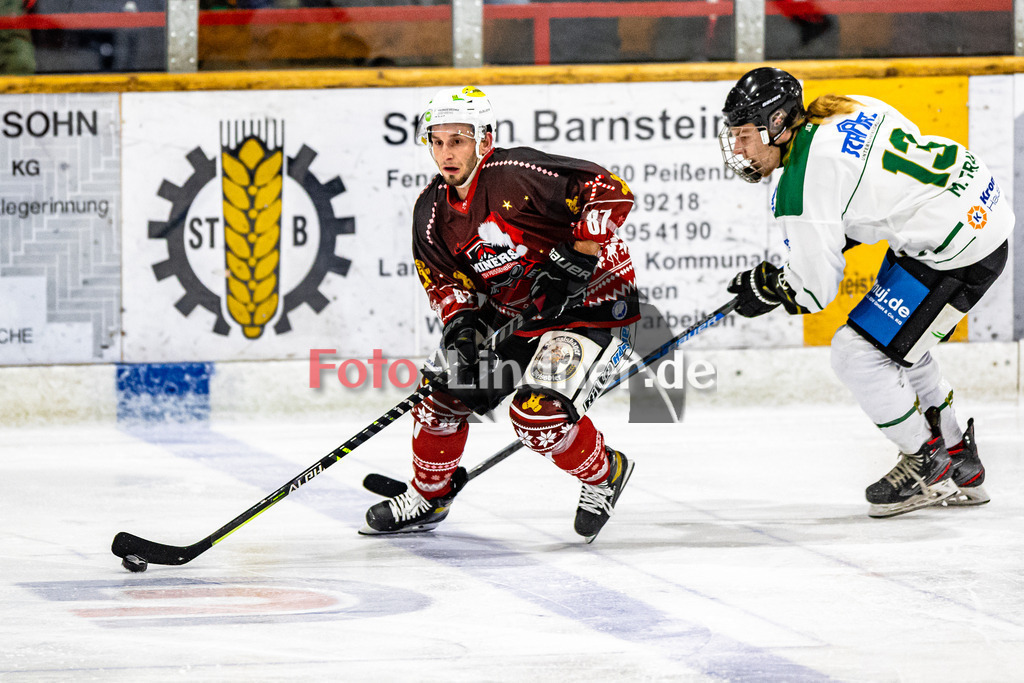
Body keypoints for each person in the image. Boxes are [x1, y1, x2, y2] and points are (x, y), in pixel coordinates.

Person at [718, 67, 1012, 518]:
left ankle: (925, 462)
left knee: (855, 354)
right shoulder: (845, 106)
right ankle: (959, 460)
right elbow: (874, 187)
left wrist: (770, 288)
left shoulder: (801, 187)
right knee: (897, 347)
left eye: (744, 135)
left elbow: (814, 292)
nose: (738, 148)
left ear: (776, 124)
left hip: (958, 249)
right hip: (969, 209)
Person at [361, 86, 642, 541]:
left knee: (537, 415)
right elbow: (446, 283)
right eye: (438, 141)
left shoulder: (516, 174)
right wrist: (461, 326)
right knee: (438, 399)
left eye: (458, 140)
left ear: (484, 140)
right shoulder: (431, 213)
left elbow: (610, 191)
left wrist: (579, 253)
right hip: (517, 317)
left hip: (590, 308)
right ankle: (430, 496)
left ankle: (605, 473)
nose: (446, 153)